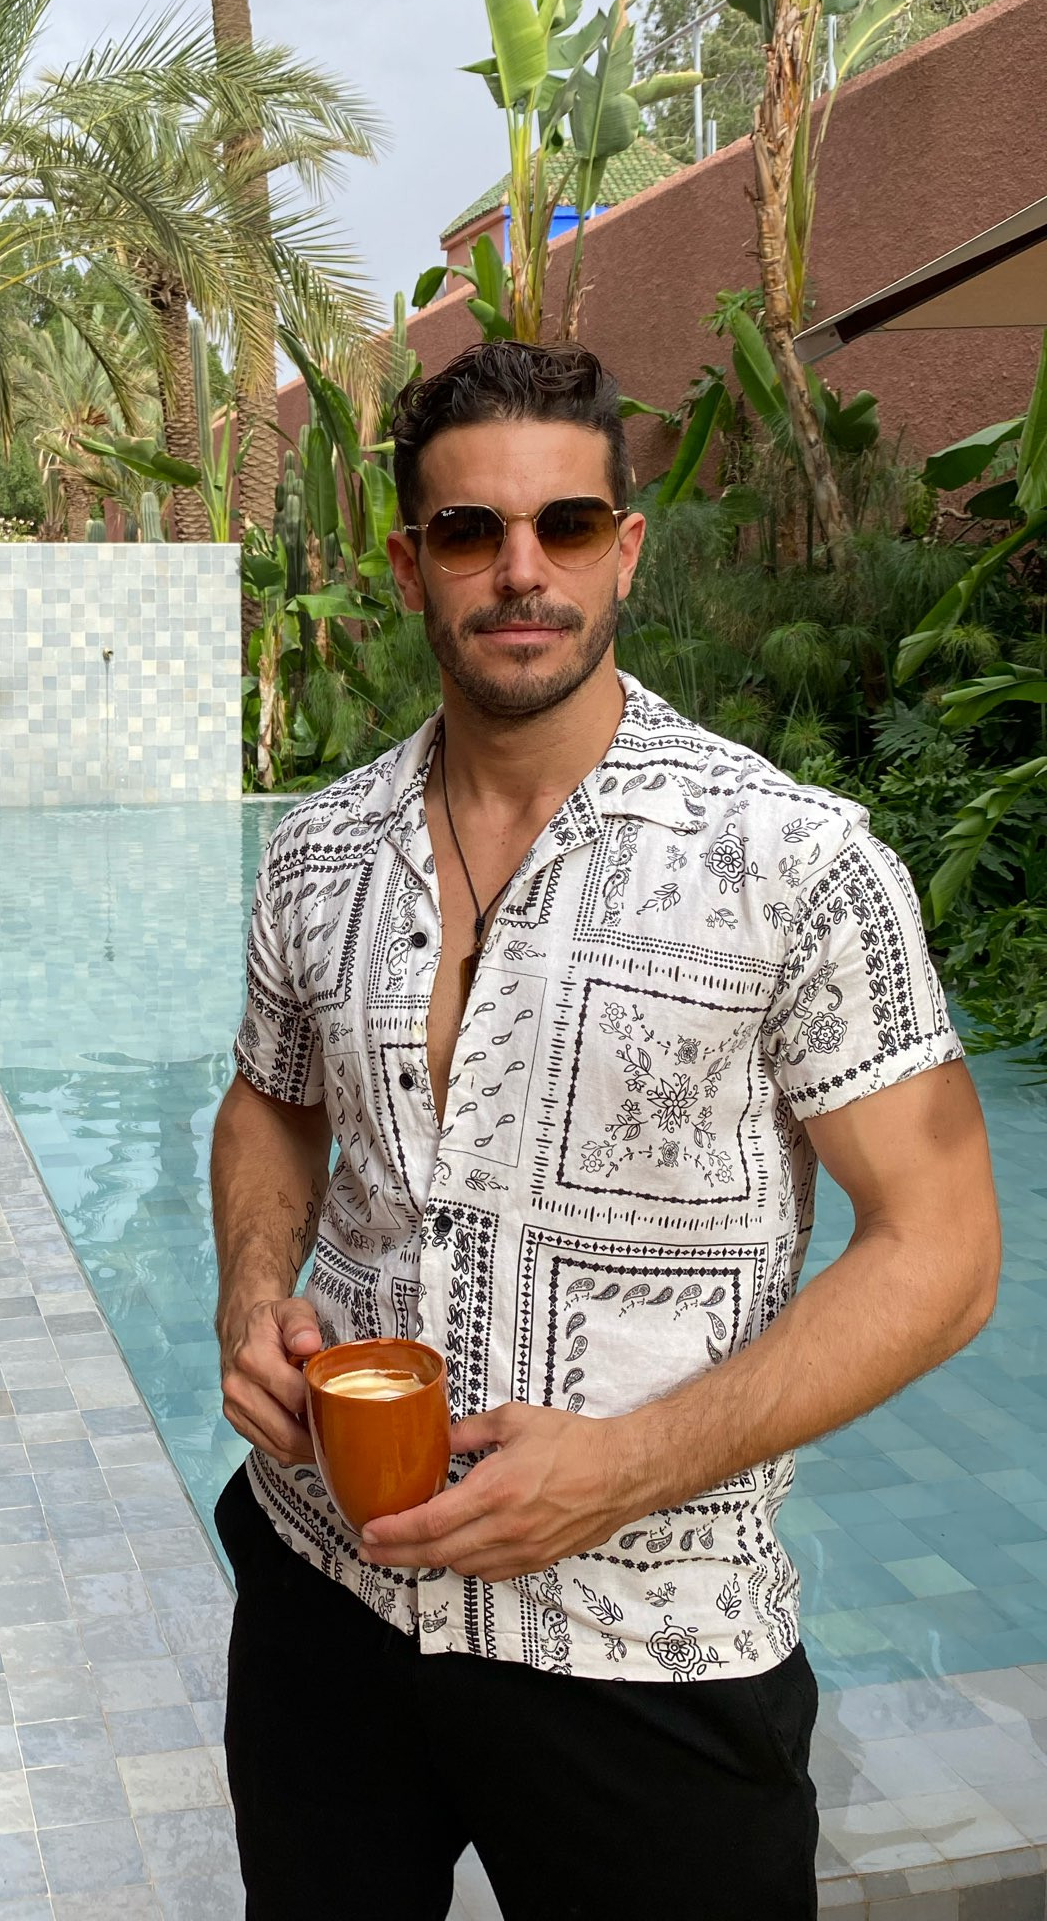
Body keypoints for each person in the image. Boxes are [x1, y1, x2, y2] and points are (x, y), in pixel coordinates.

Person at [211, 340, 1000, 1921]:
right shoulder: (318, 855)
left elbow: (947, 1253)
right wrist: (250, 1292)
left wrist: (626, 1467)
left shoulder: (793, 862)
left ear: (623, 550)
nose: (523, 571)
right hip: (326, 1602)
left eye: (565, 525)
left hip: (646, 1646)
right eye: (470, 531)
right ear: (410, 564)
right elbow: (272, 1103)